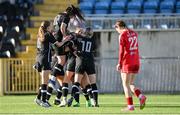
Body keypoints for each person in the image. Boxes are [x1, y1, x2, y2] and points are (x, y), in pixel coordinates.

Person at [46, 5, 85, 103]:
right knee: (62, 61)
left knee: (62, 74)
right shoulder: (66, 17)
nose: (72, 19)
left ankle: (56, 98)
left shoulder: (58, 15)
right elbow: (62, 28)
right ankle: (52, 79)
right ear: (71, 14)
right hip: (59, 39)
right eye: (73, 17)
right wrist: (65, 36)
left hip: (55, 39)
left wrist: (66, 33)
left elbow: (57, 27)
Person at [33, 20, 68, 108]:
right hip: (45, 59)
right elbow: (59, 45)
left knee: (44, 82)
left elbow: (39, 49)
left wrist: (36, 62)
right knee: (45, 83)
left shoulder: (40, 35)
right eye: (51, 25)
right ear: (48, 27)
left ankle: (38, 98)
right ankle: (44, 101)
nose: (53, 27)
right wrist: (66, 40)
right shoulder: (48, 34)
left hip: (39, 59)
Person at [115, 20, 147, 111]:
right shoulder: (134, 33)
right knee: (130, 83)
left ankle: (130, 106)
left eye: (116, 28)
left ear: (119, 27)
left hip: (127, 62)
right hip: (136, 61)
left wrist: (119, 63)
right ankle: (140, 96)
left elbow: (121, 51)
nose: (117, 31)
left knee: (125, 85)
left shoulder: (122, 35)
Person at [69, 27, 99, 107]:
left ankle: (71, 97)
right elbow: (94, 50)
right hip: (89, 62)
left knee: (76, 83)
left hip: (80, 61)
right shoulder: (93, 41)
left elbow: (71, 43)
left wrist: (75, 51)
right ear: (91, 34)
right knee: (93, 84)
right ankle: (95, 102)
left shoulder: (79, 38)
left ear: (84, 33)